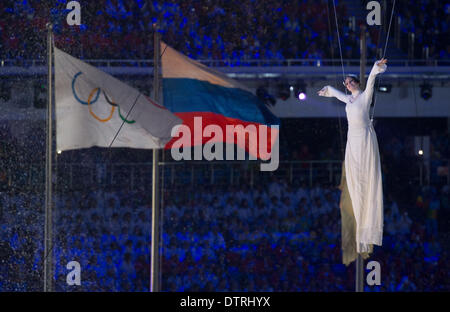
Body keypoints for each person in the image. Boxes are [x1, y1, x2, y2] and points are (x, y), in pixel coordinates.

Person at [317, 58, 388, 254]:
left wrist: (376, 66)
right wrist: (327, 91)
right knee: (355, 181)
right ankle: (361, 230)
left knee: (366, 180)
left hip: (364, 137)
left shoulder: (365, 96)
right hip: (353, 140)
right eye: (346, 83)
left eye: (350, 82)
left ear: (357, 82)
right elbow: (335, 93)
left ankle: (369, 228)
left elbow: (372, 79)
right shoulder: (348, 99)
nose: (348, 85)